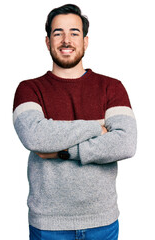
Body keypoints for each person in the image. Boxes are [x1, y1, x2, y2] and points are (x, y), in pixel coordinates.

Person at [13, 4, 137, 240]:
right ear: (48, 42)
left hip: (103, 221)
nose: (66, 40)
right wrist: (97, 127)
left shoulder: (112, 87)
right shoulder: (28, 89)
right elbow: (35, 136)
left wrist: (63, 151)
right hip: (48, 224)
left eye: (74, 33)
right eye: (58, 33)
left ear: (86, 41)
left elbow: (126, 143)